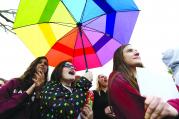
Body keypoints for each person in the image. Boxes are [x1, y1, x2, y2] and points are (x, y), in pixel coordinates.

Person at [108, 44, 179, 119]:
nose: (136, 51)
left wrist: (174, 106)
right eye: (129, 50)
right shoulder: (117, 78)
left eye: (136, 50)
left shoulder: (149, 76)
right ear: (120, 57)